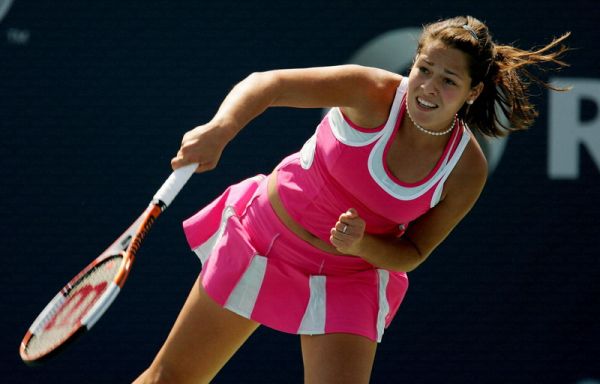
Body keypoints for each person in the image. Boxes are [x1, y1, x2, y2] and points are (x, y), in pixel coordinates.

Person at [134, 15, 569, 384]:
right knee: (169, 379)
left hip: (350, 277)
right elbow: (268, 84)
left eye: (449, 80)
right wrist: (221, 129)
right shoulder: (371, 91)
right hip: (264, 239)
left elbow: (412, 252)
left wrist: (361, 245)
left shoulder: (466, 169)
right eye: (424, 69)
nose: (428, 87)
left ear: (472, 92)